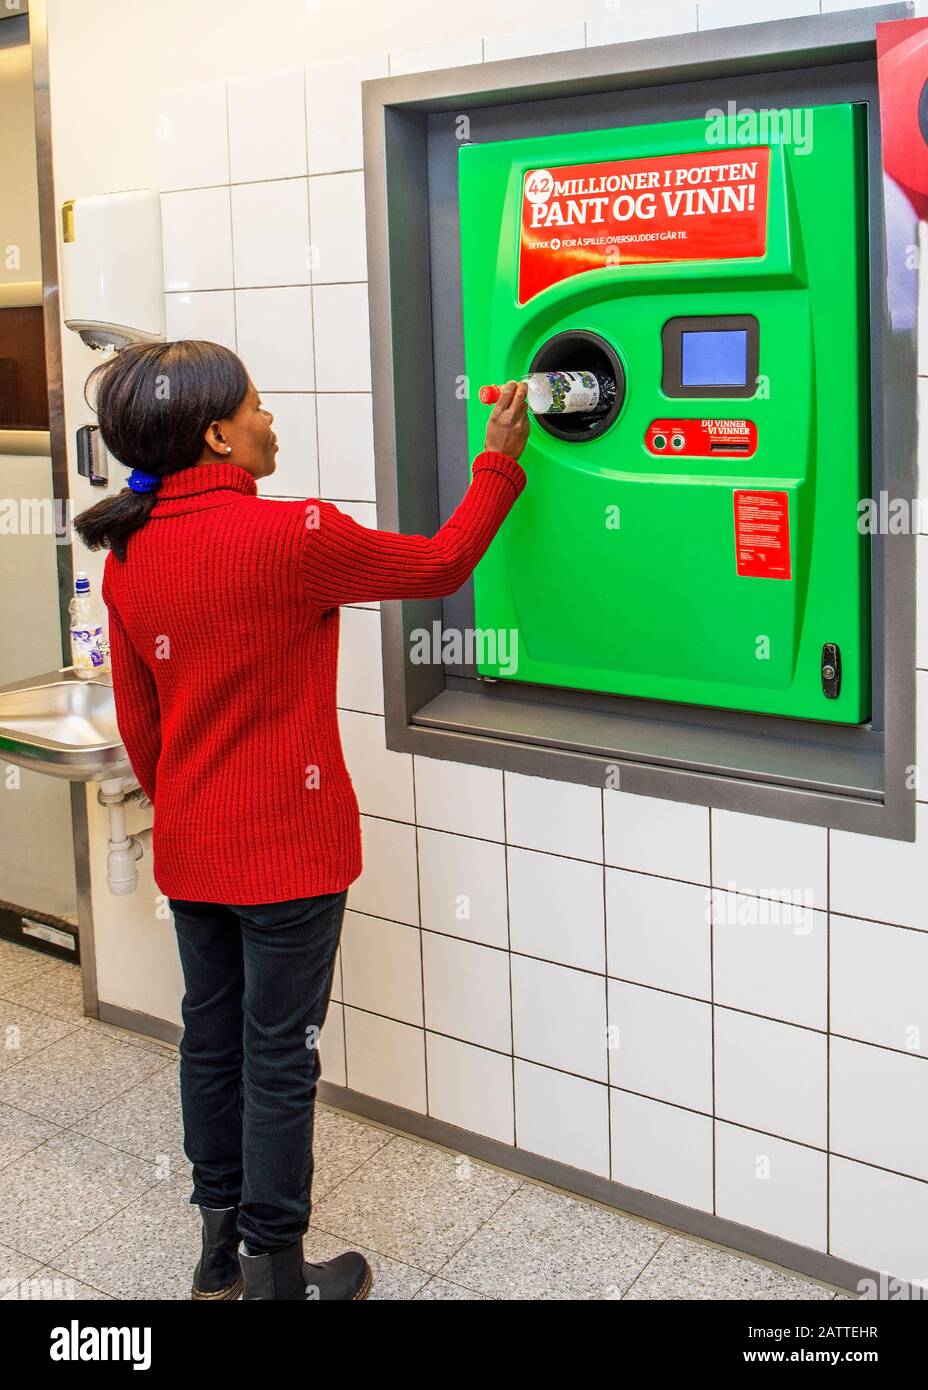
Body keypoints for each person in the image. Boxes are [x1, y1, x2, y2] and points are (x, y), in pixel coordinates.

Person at [73, 340, 529, 1302]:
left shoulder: (130, 553)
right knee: (279, 1056)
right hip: (290, 852)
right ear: (218, 435)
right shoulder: (296, 535)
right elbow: (442, 561)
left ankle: (215, 1256)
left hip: (194, 852)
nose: (271, 419)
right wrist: (499, 457)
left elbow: (142, 724)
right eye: (258, 407)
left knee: (212, 1040)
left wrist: (191, 812)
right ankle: (278, 1274)